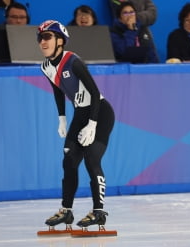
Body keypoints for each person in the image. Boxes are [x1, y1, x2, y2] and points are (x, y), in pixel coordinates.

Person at [36, 20, 115, 229]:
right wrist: (61, 117)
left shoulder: (72, 61)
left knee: (91, 159)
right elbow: (57, 89)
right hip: (80, 113)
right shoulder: (45, 67)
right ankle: (66, 211)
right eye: (40, 38)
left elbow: (95, 94)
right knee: (69, 160)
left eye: (47, 37)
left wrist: (92, 124)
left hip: (100, 112)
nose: (42, 42)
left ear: (60, 40)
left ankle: (99, 212)